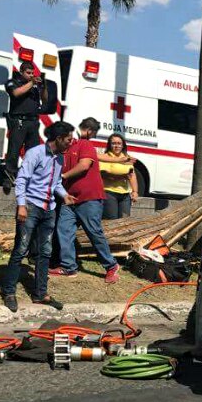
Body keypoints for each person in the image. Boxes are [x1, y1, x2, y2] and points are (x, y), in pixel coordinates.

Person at [1, 121, 76, 312]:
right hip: (31, 207)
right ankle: (9, 291)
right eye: (68, 139)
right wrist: (21, 206)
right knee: (21, 249)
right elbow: (22, 180)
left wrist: (64, 195)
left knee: (45, 252)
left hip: (49, 209)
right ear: (58, 138)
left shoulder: (60, 159)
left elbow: (57, 182)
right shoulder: (34, 153)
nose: (71, 142)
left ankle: (40, 294)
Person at [53, 118, 120, 282]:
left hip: (89, 197)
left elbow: (84, 165)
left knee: (94, 232)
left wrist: (62, 176)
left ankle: (111, 266)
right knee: (64, 230)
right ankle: (68, 266)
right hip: (70, 198)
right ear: (90, 131)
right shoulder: (66, 147)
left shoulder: (85, 145)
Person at [3, 60, 48, 187]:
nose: (31, 75)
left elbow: (45, 100)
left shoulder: (34, 86)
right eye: (28, 73)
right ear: (21, 72)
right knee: (14, 150)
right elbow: (16, 93)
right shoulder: (13, 82)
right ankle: (9, 176)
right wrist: (32, 83)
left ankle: (28, 177)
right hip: (19, 121)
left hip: (33, 122)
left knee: (32, 153)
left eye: (32, 73)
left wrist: (43, 86)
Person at [98, 134, 138, 220]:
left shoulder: (127, 158)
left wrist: (135, 191)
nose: (117, 146)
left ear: (123, 145)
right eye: (114, 143)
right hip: (109, 193)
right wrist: (122, 176)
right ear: (109, 145)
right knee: (111, 220)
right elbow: (103, 175)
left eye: (119, 143)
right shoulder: (105, 157)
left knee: (125, 220)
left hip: (125, 194)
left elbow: (132, 175)